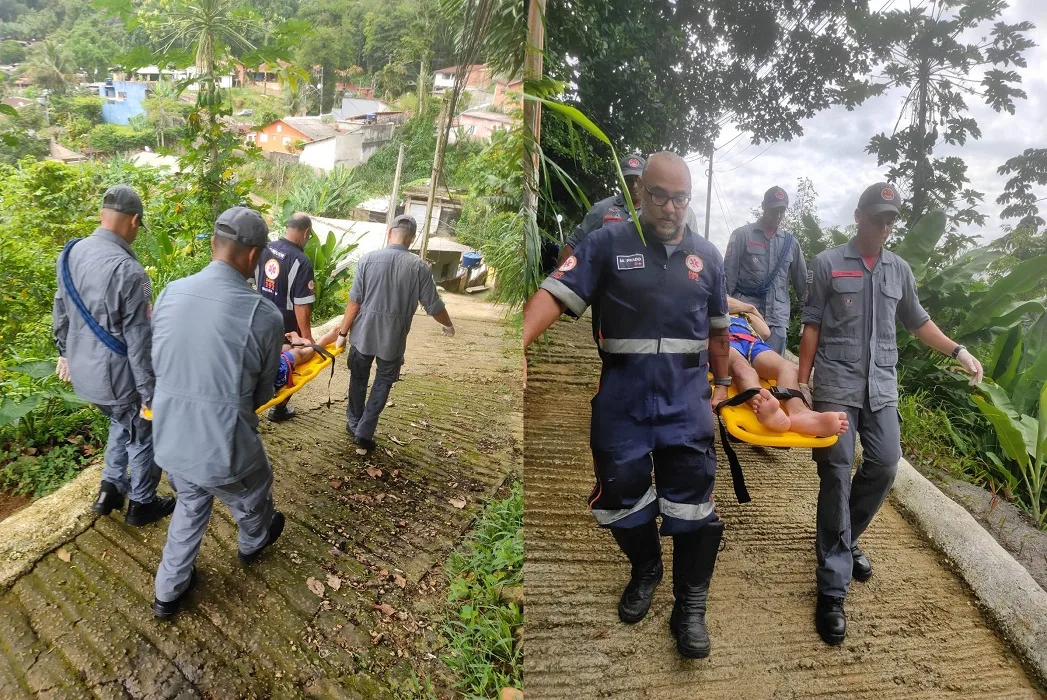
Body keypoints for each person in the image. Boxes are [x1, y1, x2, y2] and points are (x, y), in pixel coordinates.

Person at [524, 151, 731, 659]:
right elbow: (554, 294)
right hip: (623, 396)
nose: (670, 207)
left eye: (679, 198)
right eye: (659, 196)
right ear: (641, 193)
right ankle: (646, 568)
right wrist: (517, 348)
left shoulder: (707, 257)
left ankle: (690, 607)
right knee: (619, 496)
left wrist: (723, 385)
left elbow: (719, 332)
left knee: (694, 505)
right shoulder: (607, 243)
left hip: (686, 400)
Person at [799, 183, 983, 646]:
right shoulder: (828, 263)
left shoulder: (899, 269)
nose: (884, 226)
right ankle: (832, 587)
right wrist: (800, 385)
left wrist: (958, 350)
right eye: (878, 217)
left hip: (880, 387)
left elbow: (918, 321)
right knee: (837, 472)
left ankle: (843, 538)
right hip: (836, 385)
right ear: (858, 216)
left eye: (890, 220)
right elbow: (811, 326)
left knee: (884, 465)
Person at [150, 207, 287, 619]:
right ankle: (253, 541)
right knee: (254, 487)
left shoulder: (170, 292)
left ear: (213, 244)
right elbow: (261, 395)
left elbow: (157, 359)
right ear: (254, 256)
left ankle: (168, 591)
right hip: (221, 448)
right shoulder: (264, 314)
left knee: (192, 500)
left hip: (169, 439)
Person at [52, 184, 175, 527]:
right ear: (134, 221)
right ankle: (142, 504)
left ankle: (110, 488)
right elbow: (139, 341)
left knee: (122, 422)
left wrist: (64, 353)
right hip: (118, 379)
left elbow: (60, 311)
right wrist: (150, 395)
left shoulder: (70, 253)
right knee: (143, 431)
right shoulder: (132, 273)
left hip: (83, 374)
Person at [332, 215, 455, 456]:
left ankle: (354, 422)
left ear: (390, 233)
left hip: (362, 335)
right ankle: (364, 432)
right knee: (383, 383)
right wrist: (448, 325)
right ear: (412, 239)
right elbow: (434, 306)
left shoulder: (367, 260)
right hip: (393, 340)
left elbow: (354, 303)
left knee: (358, 379)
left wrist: (342, 333)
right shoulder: (419, 267)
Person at [723, 300, 848, 437]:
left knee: (787, 367)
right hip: (724, 340)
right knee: (743, 368)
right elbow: (721, 301)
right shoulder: (714, 298)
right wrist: (749, 307)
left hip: (752, 341)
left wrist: (748, 312)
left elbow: (765, 333)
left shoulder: (743, 315)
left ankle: (799, 413)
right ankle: (763, 406)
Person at [558, 153, 700, 264]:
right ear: (621, 180)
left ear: (644, 181)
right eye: (628, 180)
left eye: (637, 179)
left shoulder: (670, 211)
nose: (633, 185)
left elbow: (693, 250)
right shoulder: (603, 208)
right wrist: (563, 281)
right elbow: (573, 243)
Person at [724, 186, 807, 354]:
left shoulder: (791, 243)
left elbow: (802, 284)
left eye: (782, 211)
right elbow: (727, 280)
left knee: (774, 367)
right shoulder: (742, 235)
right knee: (742, 364)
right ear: (763, 206)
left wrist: (809, 319)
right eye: (773, 210)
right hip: (745, 316)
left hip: (777, 319)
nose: (778, 215)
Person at [255, 212, 316, 422]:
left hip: (259, 319)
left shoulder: (265, 249)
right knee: (289, 362)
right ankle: (279, 408)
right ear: (306, 233)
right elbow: (301, 304)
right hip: (286, 327)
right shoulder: (301, 261)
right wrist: (307, 338)